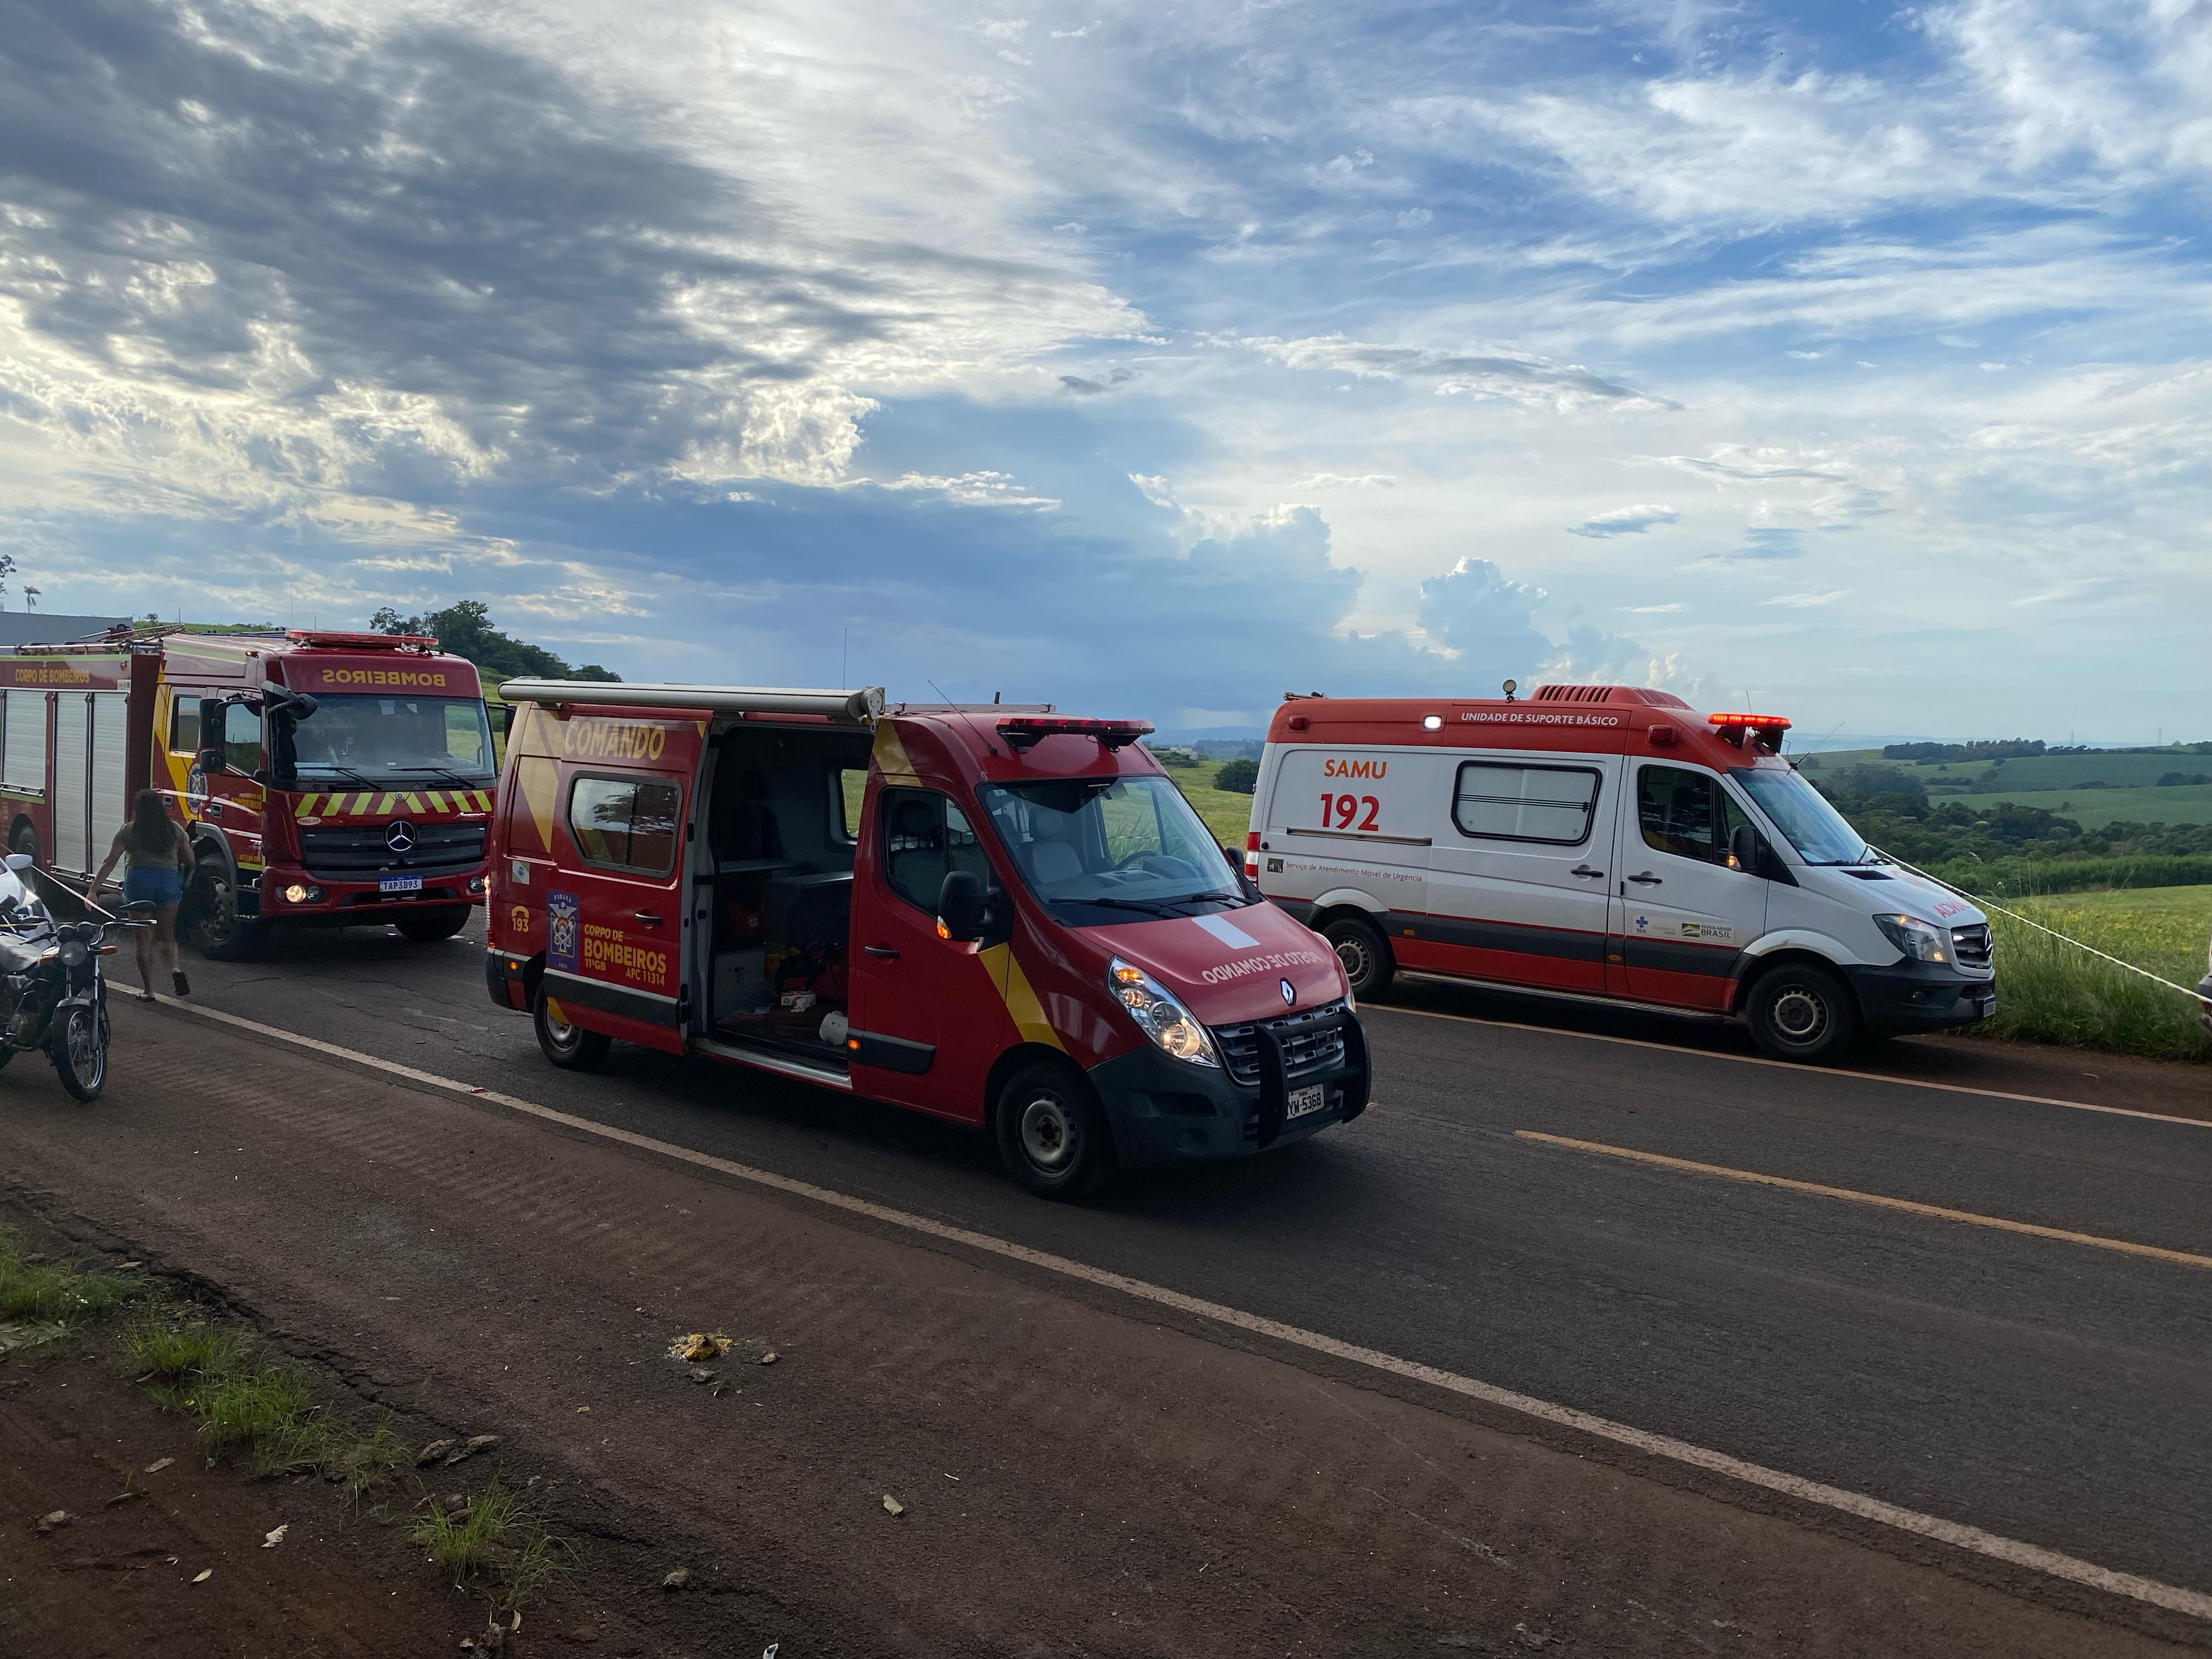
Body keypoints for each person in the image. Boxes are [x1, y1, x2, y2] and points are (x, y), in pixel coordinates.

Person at [91, 788, 195, 1002]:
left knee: (143, 939)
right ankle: (175, 969)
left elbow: (110, 861)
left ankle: (149, 990)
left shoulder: (127, 831)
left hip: (139, 883)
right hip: (167, 883)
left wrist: (94, 890)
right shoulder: (175, 830)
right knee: (167, 937)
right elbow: (191, 861)